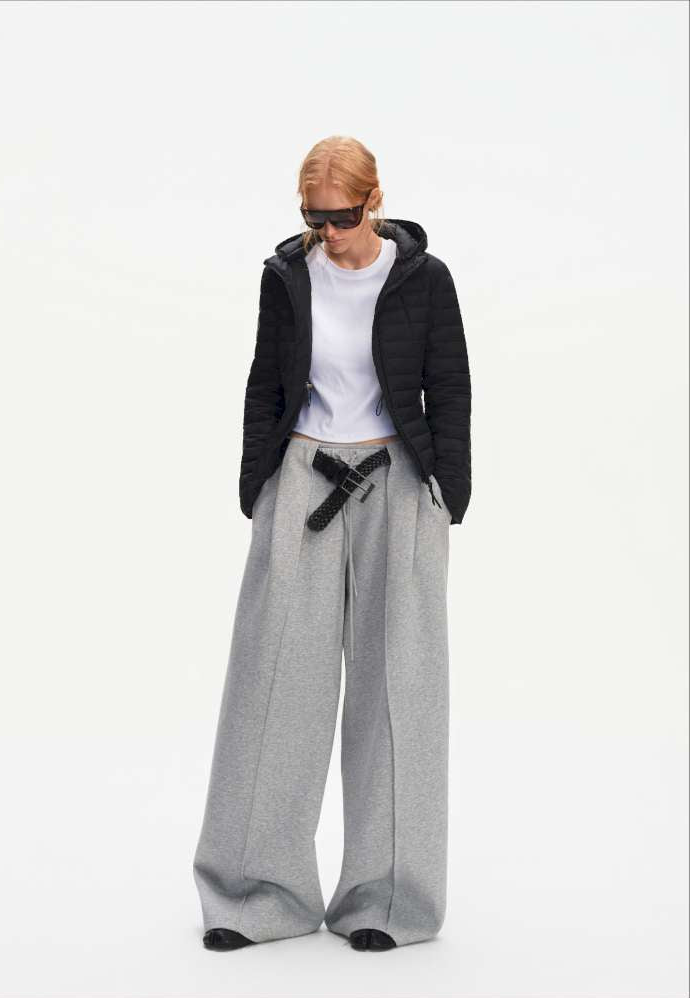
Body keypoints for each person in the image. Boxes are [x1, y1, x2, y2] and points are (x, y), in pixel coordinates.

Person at [192, 135, 472, 953]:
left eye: (342, 216)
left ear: (374, 202)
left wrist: (448, 493)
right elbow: (265, 381)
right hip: (303, 478)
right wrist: (257, 485)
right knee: (272, 682)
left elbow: (450, 386)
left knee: (399, 689)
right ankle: (253, 894)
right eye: (314, 217)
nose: (329, 231)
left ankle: (389, 899)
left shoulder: (425, 279)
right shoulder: (287, 277)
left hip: (398, 482)